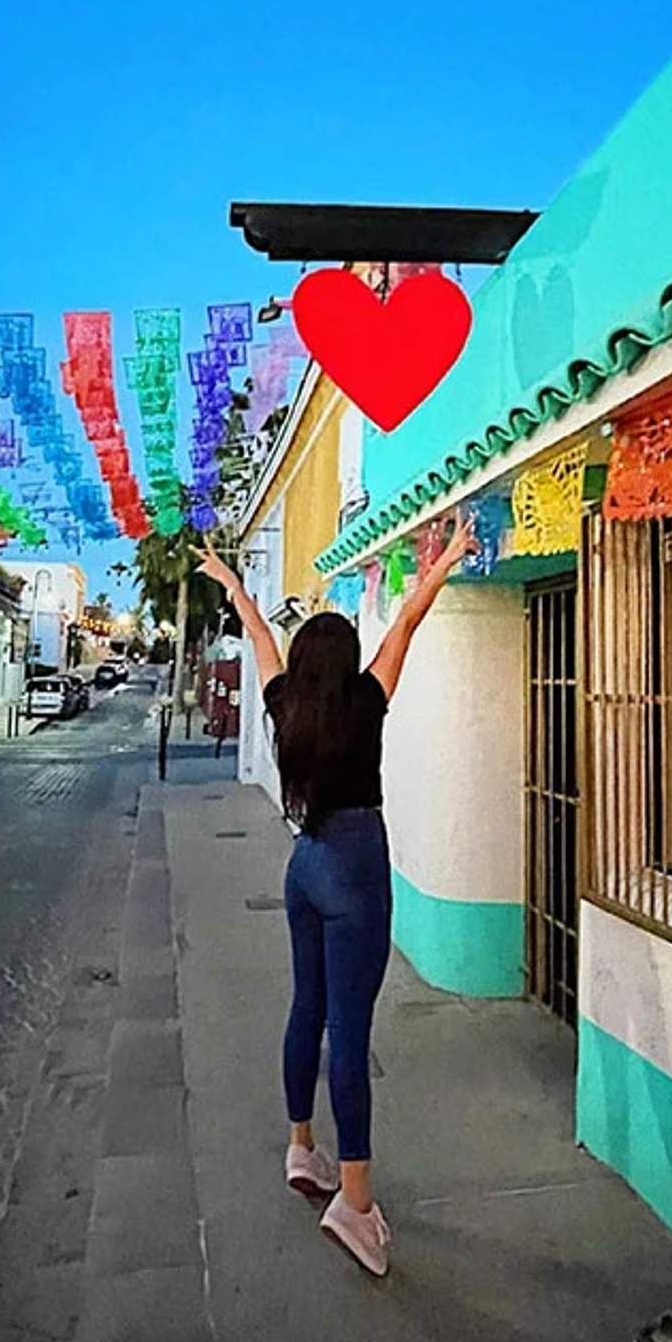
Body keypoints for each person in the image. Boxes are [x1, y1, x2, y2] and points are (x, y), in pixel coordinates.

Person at [195, 510, 478, 1276]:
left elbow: (259, 641)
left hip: (305, 863)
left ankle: (302, 1149)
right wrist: (448, 555)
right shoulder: (367, 701)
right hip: (356, 864)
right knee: (350, 1034)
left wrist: (231, 585)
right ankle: (354, 1204)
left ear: (302, 662)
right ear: (347, 659)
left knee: (306, 1010)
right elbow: (410, 621)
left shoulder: (286, 705)